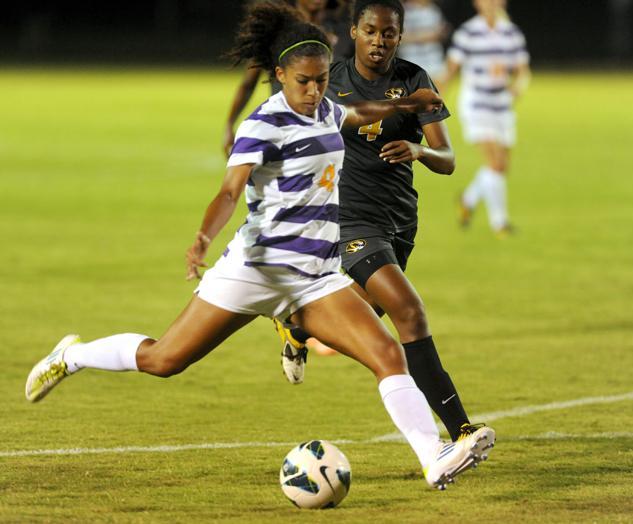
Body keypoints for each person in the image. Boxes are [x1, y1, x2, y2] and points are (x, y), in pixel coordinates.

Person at [24, 1, 493, 490]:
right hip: (255, 271)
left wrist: (408, 107)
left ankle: (434, 455)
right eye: (303, 82)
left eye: (319, 81)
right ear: (280, 76)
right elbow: (229, 191)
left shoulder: (327, 109)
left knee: (387, 354)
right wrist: (204, 237)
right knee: (164, 360)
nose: (314, 91)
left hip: (314, 277)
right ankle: (72, 356)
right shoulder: (262, 125)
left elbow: (361, 112)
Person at [274, 0, 494, 466]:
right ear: (354, 31)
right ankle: (461, 431)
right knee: (409, 311)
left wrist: (418, 148)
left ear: (401, 35)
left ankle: (296, 325)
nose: (379, 41)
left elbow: (449, 160)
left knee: (360, 321)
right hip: (348, 219)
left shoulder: (415, 80)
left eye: (389, 33)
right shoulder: (329, 79)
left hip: (399, 221)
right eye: (370, 31)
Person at [440, 0, 530, 236]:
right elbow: (449, 71)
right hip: (476, 103)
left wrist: (518, 87)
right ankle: (499, 223)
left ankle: (468, 200)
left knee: (501, 165)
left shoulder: (511, 33)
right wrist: (434, 101)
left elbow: (522, 70)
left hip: (501, 103)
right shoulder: (468, 32)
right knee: (495, 163)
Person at [222, 0, 351, 156]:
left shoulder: (345, 32)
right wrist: (229, 125)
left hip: (328, 132)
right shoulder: (277, 33)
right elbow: (248, 84)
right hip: (284, 130)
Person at [397, 0, 451, 79]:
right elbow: (397, 37)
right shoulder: (404, 10)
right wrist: (425, 36)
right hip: (410, 63)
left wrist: (443, 33)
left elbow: (442, 33)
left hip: (434, 63)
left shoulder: (434, 10)